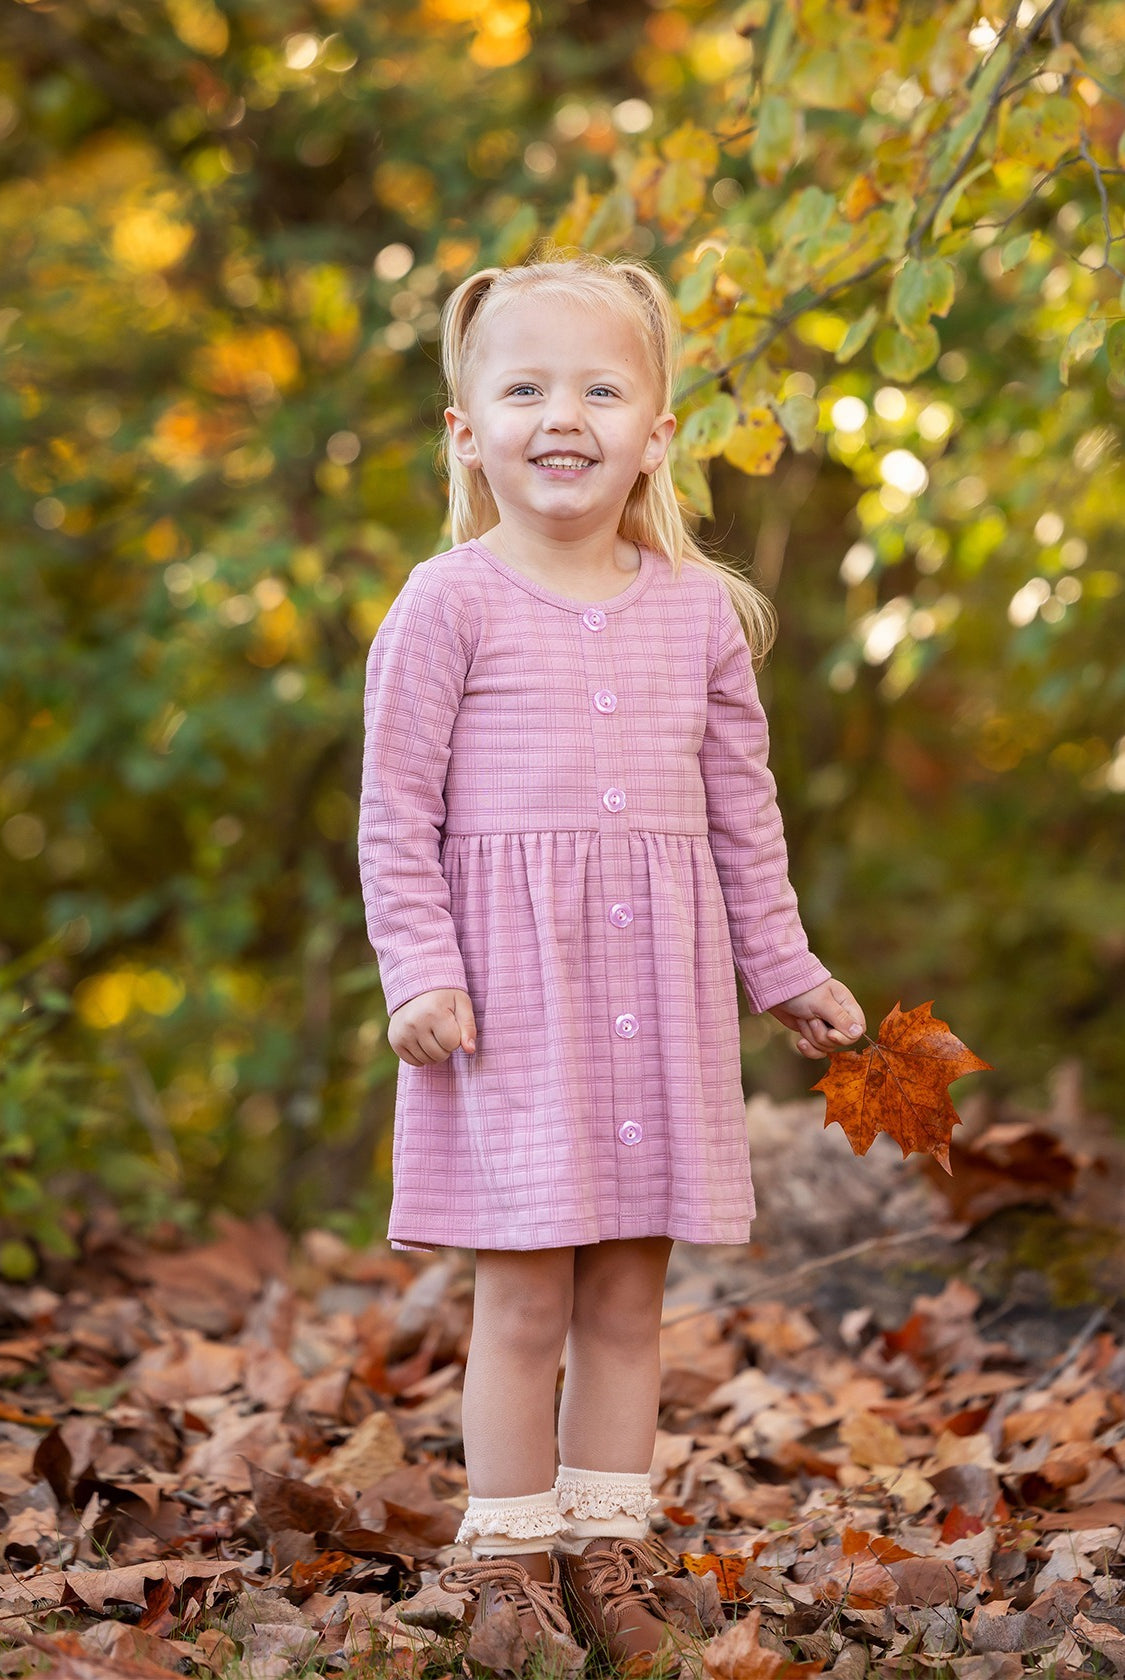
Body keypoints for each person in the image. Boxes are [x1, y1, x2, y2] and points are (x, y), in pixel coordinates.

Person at [358, 250, 865, 1673]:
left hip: (655, 995)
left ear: (655, 430)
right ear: (466, 430)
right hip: (509, 1006)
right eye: (522, 388)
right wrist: (420, 972)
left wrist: (786, 971)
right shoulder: (445, 602)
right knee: (523, 1292)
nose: (560, 415)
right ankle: (508, 1563)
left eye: (598, 386)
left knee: (630, 1292)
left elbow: (740, 820)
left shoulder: (698, 613)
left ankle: (607, 1546)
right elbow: (394, 814)